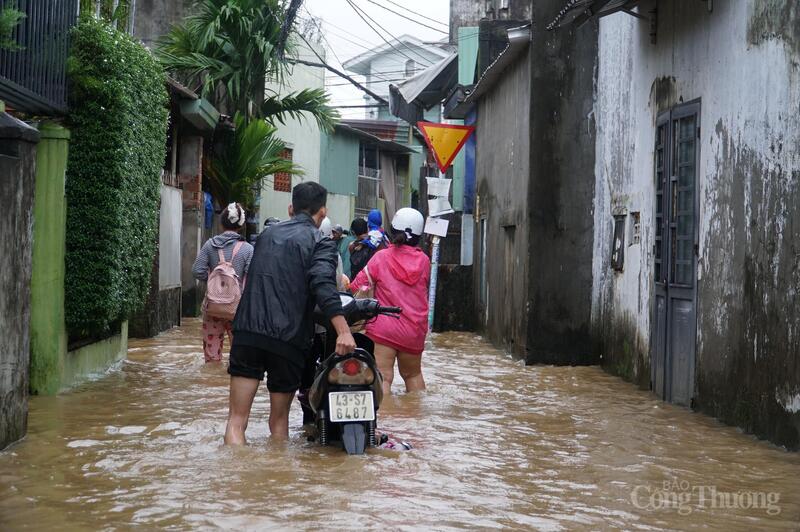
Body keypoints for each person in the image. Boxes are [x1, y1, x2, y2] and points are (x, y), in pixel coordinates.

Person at [224, 182, 356, 443]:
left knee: (236, 420)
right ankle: (277, 469)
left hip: (248, 332)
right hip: (288, 339)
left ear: (290, 209)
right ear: (323, 213)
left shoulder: (266, 236)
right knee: (279, 422)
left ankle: (234, 470)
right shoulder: (321, 242)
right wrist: (343, 331)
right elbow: (323, 286)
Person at [350, 208, 430, 395]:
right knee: (413, 375)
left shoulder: (381, 257)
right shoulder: (425, 262)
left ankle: (386, 413)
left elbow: (356, 286)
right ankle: (416, 413)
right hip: (414, 330)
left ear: (393, 231)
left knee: (383, 377)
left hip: (383, 328)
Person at [192, 202, 254, 363]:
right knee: (239, 358)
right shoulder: (248, 249)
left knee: (211, 359)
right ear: (241, 225)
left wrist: (213, 283)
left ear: (221, 223)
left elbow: (197, 270)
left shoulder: (210, 245)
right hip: (237, 310)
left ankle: (211, 378)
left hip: (213, 308)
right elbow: (252, 279)